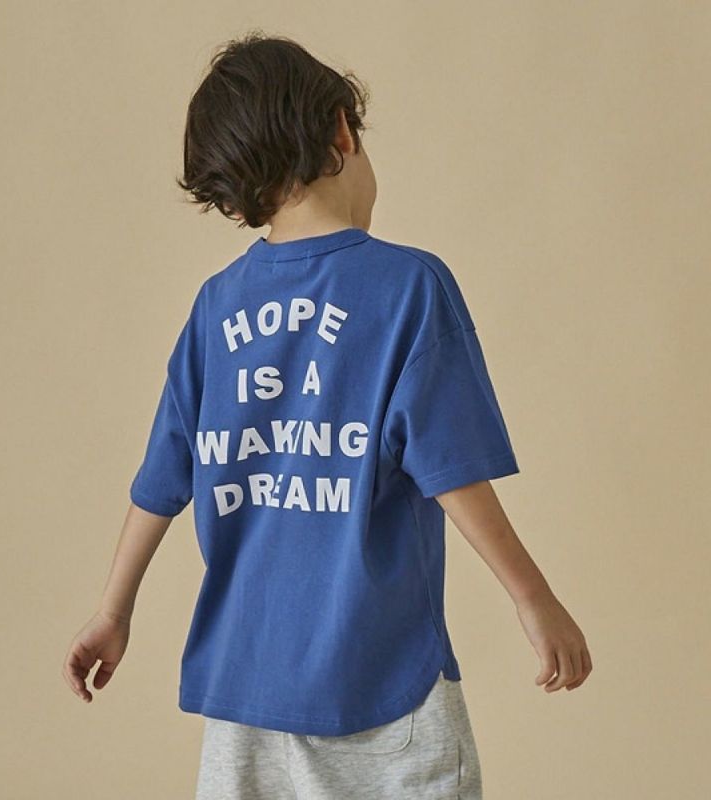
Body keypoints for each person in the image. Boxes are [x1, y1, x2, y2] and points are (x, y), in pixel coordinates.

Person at [62, 31, 592, 800]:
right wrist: (533, 599)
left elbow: (161, 479)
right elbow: (451, 470)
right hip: (383, 682)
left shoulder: (216, 306)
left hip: (243, 692)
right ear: (342, 131)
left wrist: (112, 612)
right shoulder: (407, 287)